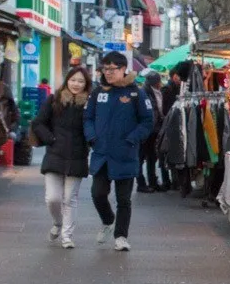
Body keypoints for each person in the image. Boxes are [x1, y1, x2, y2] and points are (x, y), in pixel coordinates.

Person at [85, 52, 154, 252]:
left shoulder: (136, 93)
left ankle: (121, 236)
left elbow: (147, 122)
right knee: (97, 193)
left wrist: (132, 138)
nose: (108, 73)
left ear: (123, 69)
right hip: (102, 154)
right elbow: (87, 117)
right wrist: (92, 137)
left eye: (112, 69)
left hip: (125, 154)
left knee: (124, 199)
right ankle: (108, 220)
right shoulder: (98, 92)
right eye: (105, 69)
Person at [31, 66, 91, 249]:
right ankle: (58, 223)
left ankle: (67, 235)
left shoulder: (89, 103)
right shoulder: (54, 99)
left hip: (78, 155)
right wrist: (51, 139)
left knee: (69, 199)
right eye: (73, 80)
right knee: (53, 198)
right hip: (55, 154)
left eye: (81, 81)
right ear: (67, 81)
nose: (76, 84)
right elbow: (38, 122)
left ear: (86, 84)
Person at [138, 70, 166, 193]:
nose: (160, 83)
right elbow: (149, 113)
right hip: (147, 131)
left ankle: (152, 181)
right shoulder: (144, 93)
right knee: (141, 158)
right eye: (159, 81)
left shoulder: (156, 92)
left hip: (154, 130)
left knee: (152, 157)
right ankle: (141, 183)